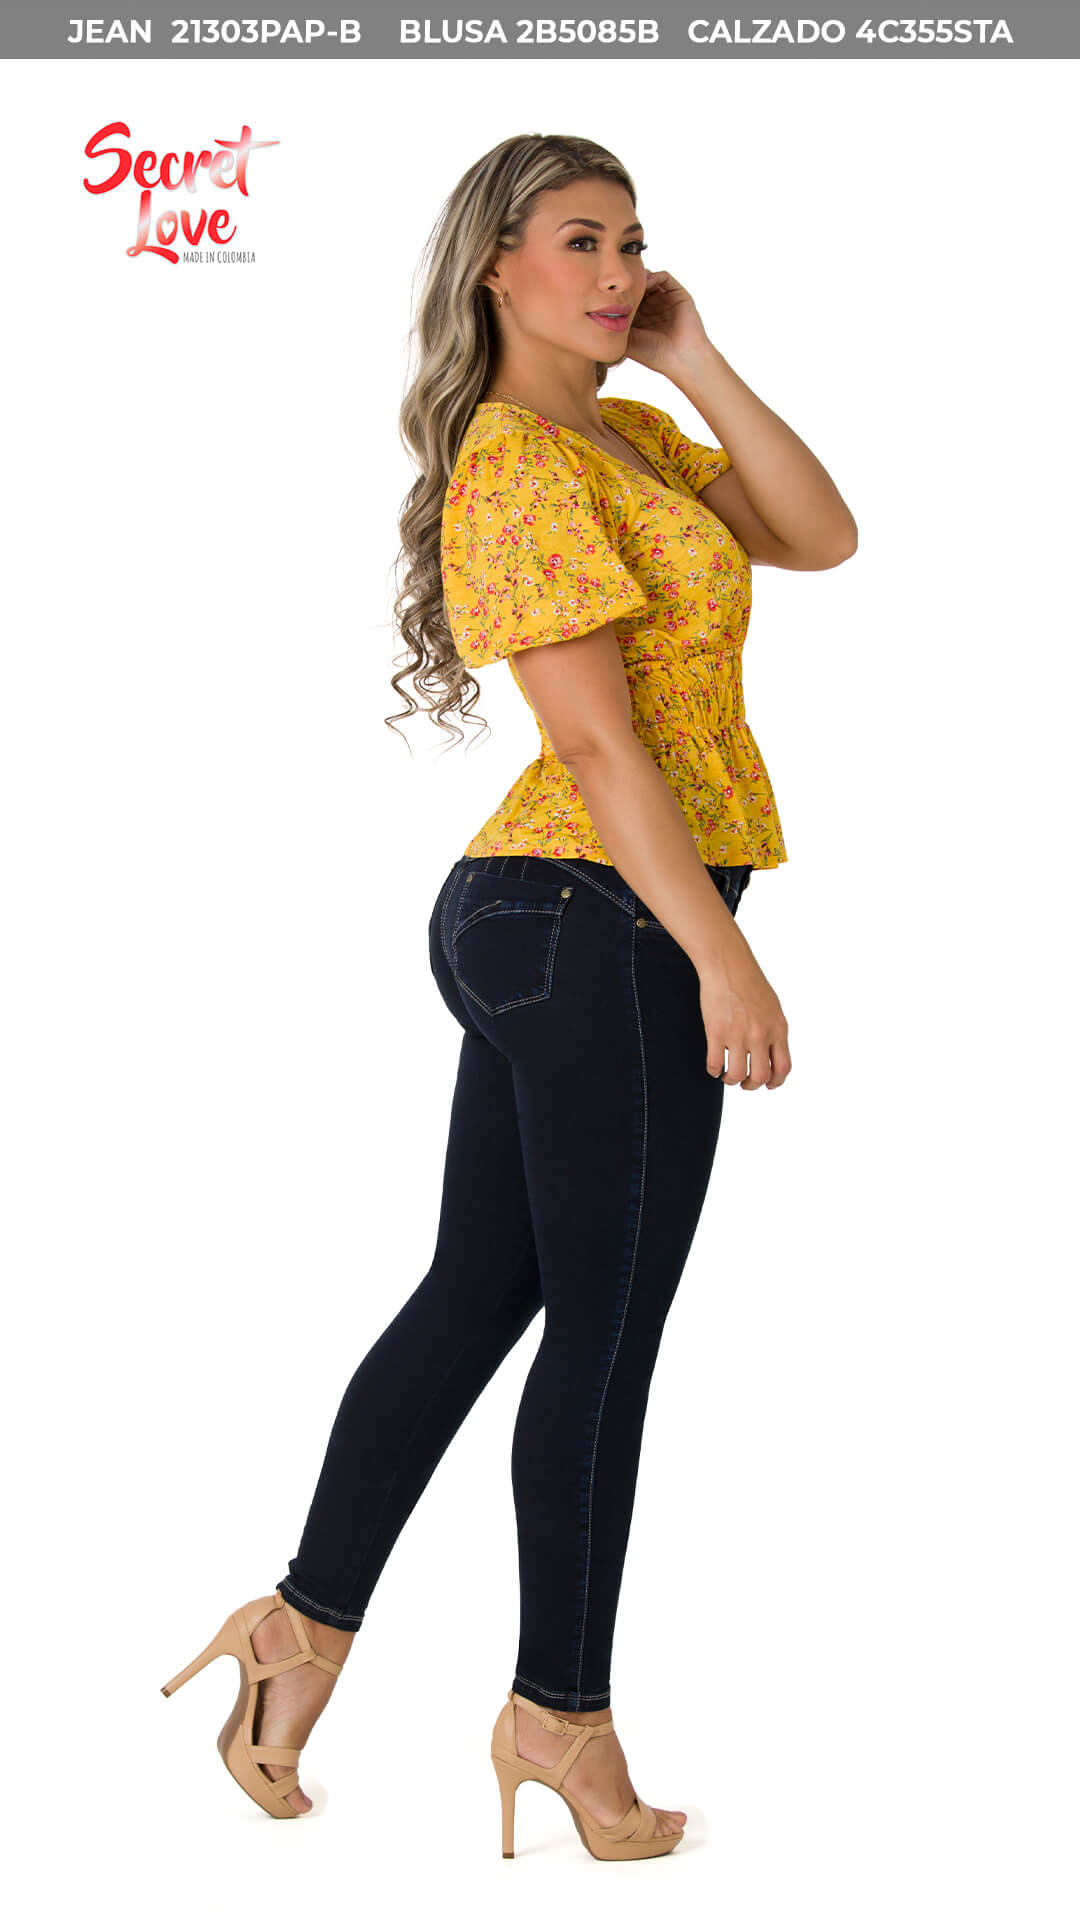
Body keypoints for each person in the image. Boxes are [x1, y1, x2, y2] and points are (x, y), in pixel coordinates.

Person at [160, 132, 857, 1862]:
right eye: (580, 240)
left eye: (633, 241)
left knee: (483, 1292)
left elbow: (821, 534)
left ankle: (298, 1628)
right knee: (604, 1337)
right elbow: (598, 745)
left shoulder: (622, 437)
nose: (618, 271)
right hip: (596, 915)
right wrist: (722, 954)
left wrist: (693, 356)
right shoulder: (517, 463)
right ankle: (563, 1715)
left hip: (562, 915)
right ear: (497, 266)